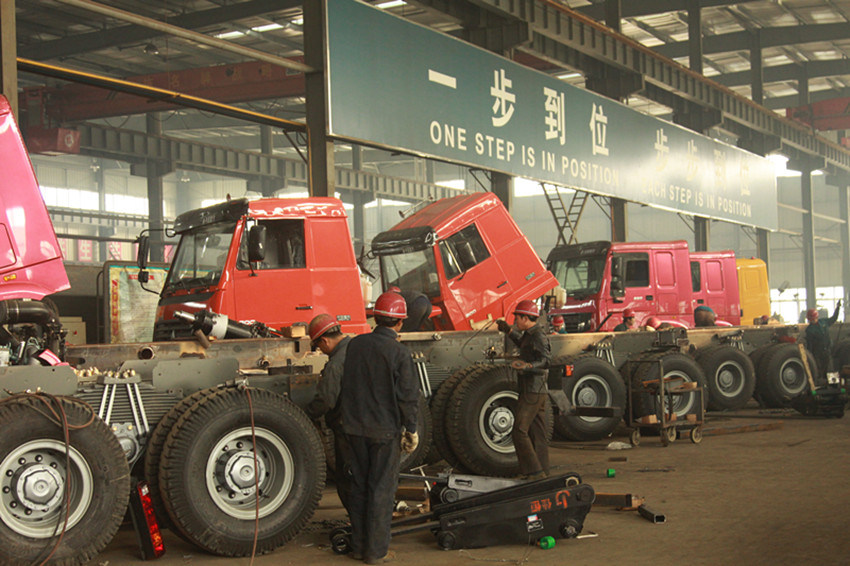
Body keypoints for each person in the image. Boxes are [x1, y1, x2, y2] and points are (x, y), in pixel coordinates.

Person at [340, 291, 420, 564]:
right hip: (384, 432)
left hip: (354, 428)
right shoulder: (399, 352)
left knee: (360, 488)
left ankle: (359, 547)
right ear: (400, 323)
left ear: (376, 317)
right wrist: (412, 429)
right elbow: (407, 396)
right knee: (381, 492)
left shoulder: (355, 345)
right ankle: (376, 553)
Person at [496, 299, 551, 481]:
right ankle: (542, 471)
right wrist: (509, 331)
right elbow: (523, 343)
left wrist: (526, 365)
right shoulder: (530, 334)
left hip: (533, 390)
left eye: (517, 318)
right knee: (538, 432)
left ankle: (533, 472)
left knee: (519, 430)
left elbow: (546, 360)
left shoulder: (538, 336)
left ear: (526, 318)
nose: (515, 321)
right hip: (536, 389)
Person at [305, 313, 353, 513]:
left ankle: (359, 526)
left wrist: (305, 415)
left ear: (324, 340)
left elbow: (326, 400)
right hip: (370, 424)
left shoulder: (335, 365)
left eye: (318, 347)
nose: (321, 351)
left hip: (347, 428)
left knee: (347, 478)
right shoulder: (358, 348)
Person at [804, 301, 842, 379]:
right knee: (819, 369)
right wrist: (810, 355)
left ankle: (833, 385)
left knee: (830, 369)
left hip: (827, 350)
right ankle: (821, 384)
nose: (812, 321)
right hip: (817, 353)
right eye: (811, 319)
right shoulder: (809, 330)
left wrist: (837, 308)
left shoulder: (824, 322)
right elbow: (810, 344)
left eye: (813, 319)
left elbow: (833, 318)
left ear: (816, 317)